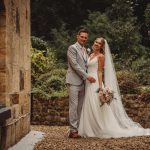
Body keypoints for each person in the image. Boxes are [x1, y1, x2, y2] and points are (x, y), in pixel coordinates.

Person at [78, 37, 150, 138]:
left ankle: (100, 128)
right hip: (88, 82)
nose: (96, 44)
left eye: (99, 43)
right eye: (95, 42)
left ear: (102, 46)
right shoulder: (90, 54)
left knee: (97, 105)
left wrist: (100, 87)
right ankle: (88, 128)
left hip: (95, 83)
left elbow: (99, 71)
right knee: (89, 104)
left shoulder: (101, 56)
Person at [66, 29, 96, 138]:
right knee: (73, 106)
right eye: (82, 36)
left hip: (84, 83)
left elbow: (86, 65)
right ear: (77, 36)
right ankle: (72, 130)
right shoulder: (72, 48)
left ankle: (78, 129)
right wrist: (87, 76)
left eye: (85, 37)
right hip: (74, 81)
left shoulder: (85, 49)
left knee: (80, 107)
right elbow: (75, 65)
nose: (83, 39)